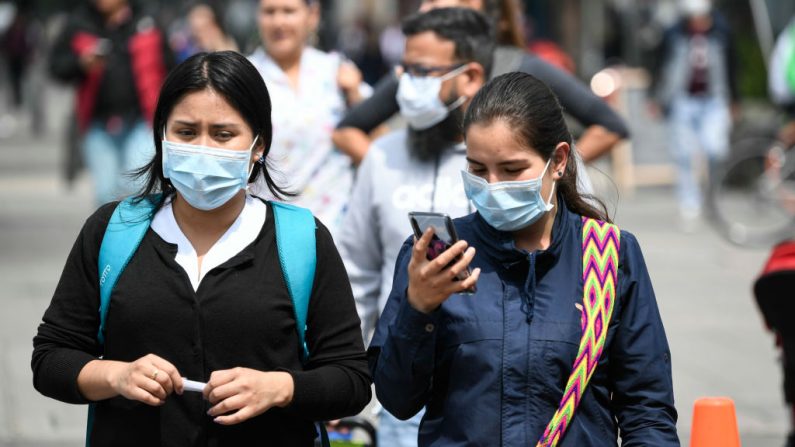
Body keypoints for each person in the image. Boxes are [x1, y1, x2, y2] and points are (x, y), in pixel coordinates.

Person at [31, 51, 371, 446]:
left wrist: (280, 387)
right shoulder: (112, 230)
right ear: (161, 136)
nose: (204, 148)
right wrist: (115, 376)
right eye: (187, 132)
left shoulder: (302, 238)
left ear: (258, 145)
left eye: (224, 134)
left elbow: (351, 379)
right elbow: (51, 359)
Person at [369, 72, 679, 446]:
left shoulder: (610, 255)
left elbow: (647, 410)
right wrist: (417, 312)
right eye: (478, 169)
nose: (493, 185)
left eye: (512, 170)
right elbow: (397, 400)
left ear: (559, 160)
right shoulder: (438, 257)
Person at [338, 8, 494, 446]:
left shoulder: (506, 171)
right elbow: (357, 276)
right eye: (405, 69)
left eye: (423, 71)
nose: (407, 83)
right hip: (401, 395)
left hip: (487, 391)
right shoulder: (380, 157)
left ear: (470, 76)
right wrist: (346, 378)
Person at [331, 0, 629, 166]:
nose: (428, 8)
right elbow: (348, 130)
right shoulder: (420, 70)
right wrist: (392, 176)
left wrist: (552, 174)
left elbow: (610, 126)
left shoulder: (518, 65)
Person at [248, 0, 372, 236]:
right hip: (268, 230)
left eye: (289, 11)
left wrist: (355, 95)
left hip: (336, 229)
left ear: (312, 15)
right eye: (269, 12)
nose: (279, 21)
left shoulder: (337, 71)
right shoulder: (244, 76)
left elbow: (381, 143)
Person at [49, 0, 172, 206]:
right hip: (98, 123)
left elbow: (170, 65)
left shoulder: (147, 20)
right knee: (106, 194)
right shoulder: (79, 22)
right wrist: (80, 63)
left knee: (138, 187)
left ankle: (138, 236)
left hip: (142, 120)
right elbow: (56, 67)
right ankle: (111, 236)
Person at [650, 0, 738, 226]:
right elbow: (659, 65)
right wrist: (655, 96)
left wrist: (735, 100)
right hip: (683, 99)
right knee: (684, 154)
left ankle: (712, 198)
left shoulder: (722, 32)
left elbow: (732, 67)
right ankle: (690, 203)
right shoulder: (673, 34)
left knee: (715, 148)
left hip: (714, 99)